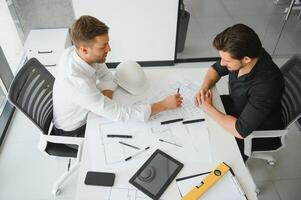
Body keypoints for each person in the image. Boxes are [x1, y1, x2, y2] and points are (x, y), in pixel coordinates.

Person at [53, 15, 183, 139]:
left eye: (107, 43)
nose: (109, 49)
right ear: (84, 50)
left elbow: (107, 77)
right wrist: (164, 105)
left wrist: (106, 101)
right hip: (76, 130)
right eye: (102, 46)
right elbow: (120, 114)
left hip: (87, 109)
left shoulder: (74, 52)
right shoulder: (77, 83)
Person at [194, 24, 284, 162]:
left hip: (255, 129)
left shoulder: (267, 84)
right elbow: (216, 69)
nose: (222, 63)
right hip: (239, 106)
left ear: (246, 59)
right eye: (221, 58)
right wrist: (204, 87)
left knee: (215, 158)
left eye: (227, 60)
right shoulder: (245, 54)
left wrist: (209, 108)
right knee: (197, 123)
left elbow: (240, 130)